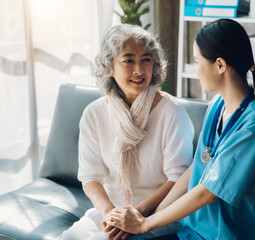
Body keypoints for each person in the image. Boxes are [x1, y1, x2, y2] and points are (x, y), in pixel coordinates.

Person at [103, 18, 255, 240]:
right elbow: (196, 168)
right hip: (193, 231)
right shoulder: (217, 106)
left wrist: (146, 225)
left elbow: (208, 193)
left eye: (197, 62)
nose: (195, 70)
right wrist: (147, 219)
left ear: (220, 65)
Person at [59, 24, 194, 240]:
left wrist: (135, 217)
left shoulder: (172, 111)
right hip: (111, 210)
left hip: (158, 215)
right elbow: (90, 176)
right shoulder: (94, 113)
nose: (139, 70)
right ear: (109, 66)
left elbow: (178, 180)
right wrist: (110, 213)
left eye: (146, 59)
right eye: (128, 60)